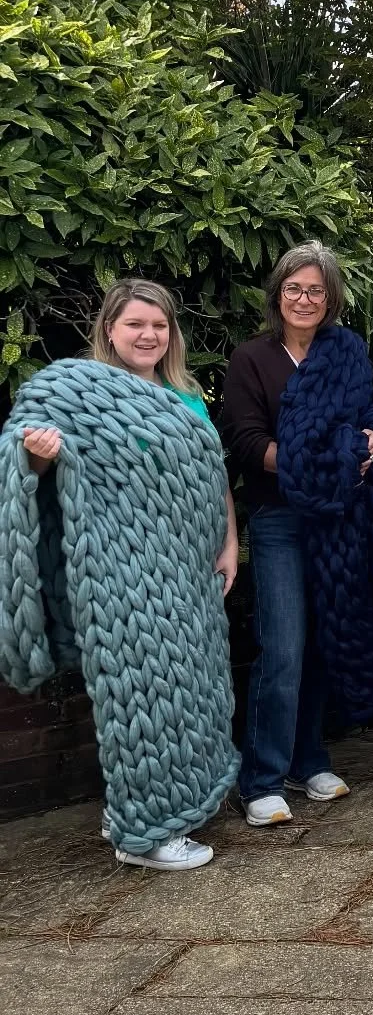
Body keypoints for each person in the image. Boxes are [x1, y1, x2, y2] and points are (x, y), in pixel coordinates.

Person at [4, 279, 240, 870]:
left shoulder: (186, 396)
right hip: (120, 571)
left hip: (189, 570)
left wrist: (230, 544)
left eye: (159, 325)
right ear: (110, 329)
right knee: (141, 692)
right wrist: (38, 453)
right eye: (136, 324)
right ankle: (149, 832)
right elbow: (25, 462)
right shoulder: (77, 393)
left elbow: (214, 480)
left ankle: (157, 808)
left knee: (192, 688)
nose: (148, 335)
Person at [221, 241, 373, 828]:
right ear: (278, 294)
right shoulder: (252, 358)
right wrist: (322, 464)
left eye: (316, 290)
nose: (304, 299)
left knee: (327, 636)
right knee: (282, 647)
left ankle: (310, 760)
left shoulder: (346, 350)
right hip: (280, 517)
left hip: (340, 517)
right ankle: (262, 777)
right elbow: (245, 441)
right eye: (294, 289)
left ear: (329, 299)